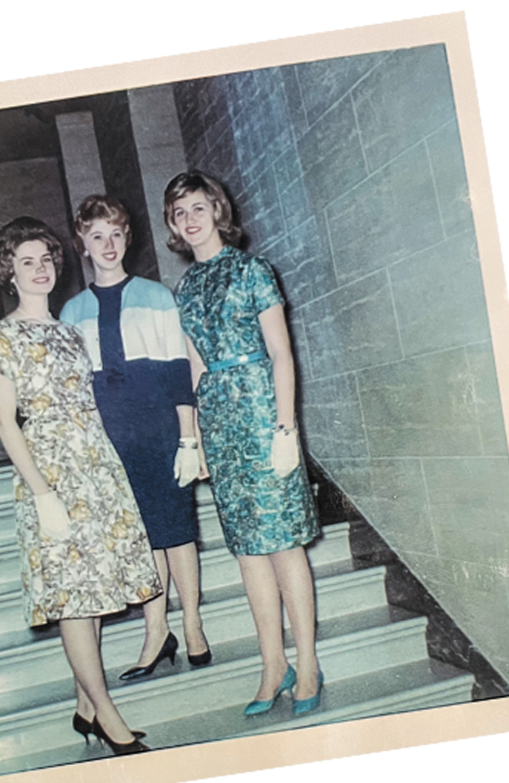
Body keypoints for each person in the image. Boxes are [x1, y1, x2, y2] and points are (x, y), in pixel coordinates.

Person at [0, 216, 162, 755]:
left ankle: (84, 708)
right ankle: (107, 713)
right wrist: (41, 493)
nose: (39, 270)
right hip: (50, 473)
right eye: (26, 262)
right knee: (75, 600)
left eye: (46, 259)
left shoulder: (67, 331)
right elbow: (6, 422)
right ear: (8, 273)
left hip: (95, 465)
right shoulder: (3, 336)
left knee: (97, 589)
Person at [164, 171, 323, 717]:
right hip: (219, 416)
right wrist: (193, 438)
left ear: (216, 208)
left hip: (259, 407)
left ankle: (308, 664)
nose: (190, 218)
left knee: (282, 544)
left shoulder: (254, 270)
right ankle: (272, 665)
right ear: (174, 225)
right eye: (179, 212)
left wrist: (286, 428)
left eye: (197, 206)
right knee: (248, 550)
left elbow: (281, 353)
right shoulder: (183, 290)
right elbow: (193, 363)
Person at [60, 195, 210, 681]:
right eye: (97, 235)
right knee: (141, 534)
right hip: (110, 435)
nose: (108, 244)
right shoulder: (72, 312)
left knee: (175, 529)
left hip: (158, 426)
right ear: (82, 243)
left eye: (117, 234)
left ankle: (191, 623)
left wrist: (189, 439)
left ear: (128, 238)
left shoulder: (155, 296)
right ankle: (155, 629)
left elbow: (176, 372)